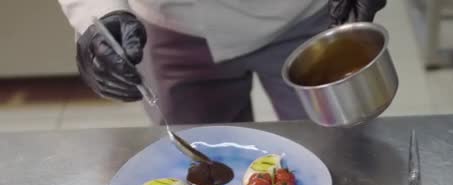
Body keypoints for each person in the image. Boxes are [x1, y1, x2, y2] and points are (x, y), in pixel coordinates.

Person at [57, 0, 387, 124]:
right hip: (173, 25)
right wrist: (97, 15)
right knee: (203, 174)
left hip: (304, 14)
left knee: (341, 155)